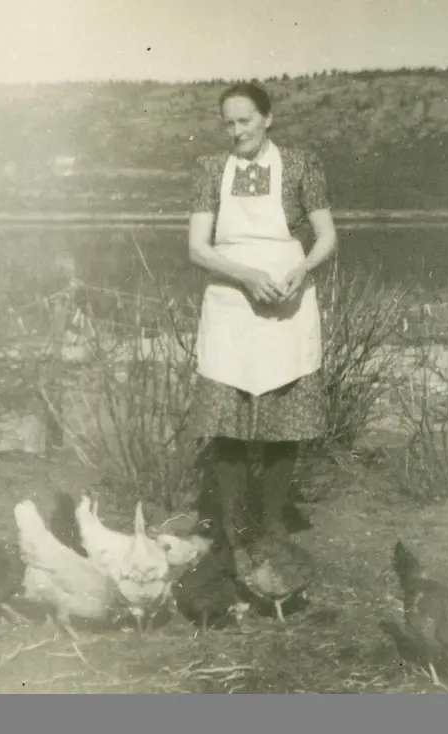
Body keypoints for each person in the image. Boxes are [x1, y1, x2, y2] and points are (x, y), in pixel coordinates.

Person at [186, 82, 338, 572]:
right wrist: (247, 275)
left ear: (267, 118)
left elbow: (326, 236)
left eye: (245, 120)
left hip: (288, 303)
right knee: (224, 419)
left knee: (283, 420)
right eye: (228, 123)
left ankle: (272, 526)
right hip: (231, 300)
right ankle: (234, 529)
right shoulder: (211, 169)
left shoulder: (300, 164)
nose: (236, 132)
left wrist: (301, 271)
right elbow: (198, 248)